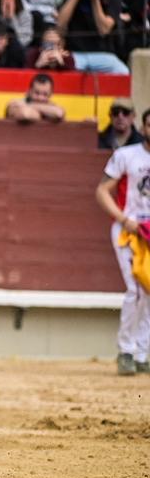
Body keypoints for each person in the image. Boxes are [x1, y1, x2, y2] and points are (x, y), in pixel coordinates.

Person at [95, 110, 150, 375]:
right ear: (144, 126)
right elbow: (102, 191)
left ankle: (142, 352)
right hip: (129, 230)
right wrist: (121, 217)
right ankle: (126, 351)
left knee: (149, 292)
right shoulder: (127, 155)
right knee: (135, 290)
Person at [58, 0, 127, 74]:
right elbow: (60, 23)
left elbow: (104, 30)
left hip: (103, 54)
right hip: (76, 53)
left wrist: (95, 0)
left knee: (122, 72)